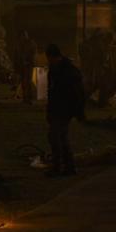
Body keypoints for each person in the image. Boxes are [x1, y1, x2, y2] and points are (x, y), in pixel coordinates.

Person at [44, 44, 85, 177]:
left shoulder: (66, 71)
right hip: (60, 108)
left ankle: (59, 166)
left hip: (63, 108)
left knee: (56, 137)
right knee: (61, 137)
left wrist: (75, 109)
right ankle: (68, 166)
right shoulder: (61, 69)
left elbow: (73, 93)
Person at [14, 31, 37, 104]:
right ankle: (25, 98)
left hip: (28, 65)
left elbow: (33, 54)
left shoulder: (30, 44)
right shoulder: (20, 44)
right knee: (24, 82)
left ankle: (29, 98)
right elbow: (17, 54)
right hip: (22, 65)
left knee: (28, 81)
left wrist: (28, 61)